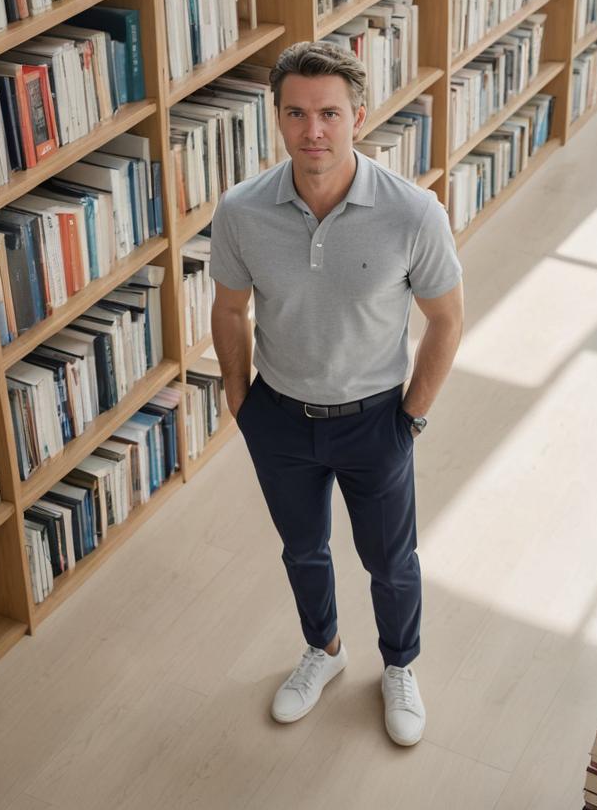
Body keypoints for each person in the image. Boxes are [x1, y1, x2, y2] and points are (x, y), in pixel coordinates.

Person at [209, 40, 464, 747]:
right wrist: (241, 402)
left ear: (358, 115)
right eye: (295, 113)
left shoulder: (414, 214)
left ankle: (399, 666)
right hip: (279, 419)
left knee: (390, 560)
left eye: (328, 113)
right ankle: (323, 652)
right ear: (279, 117)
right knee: (303, 551)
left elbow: (447, 320)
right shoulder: (241, 211)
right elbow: (229, 310)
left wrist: (411, 418)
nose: (311, 131)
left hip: (375, 420)